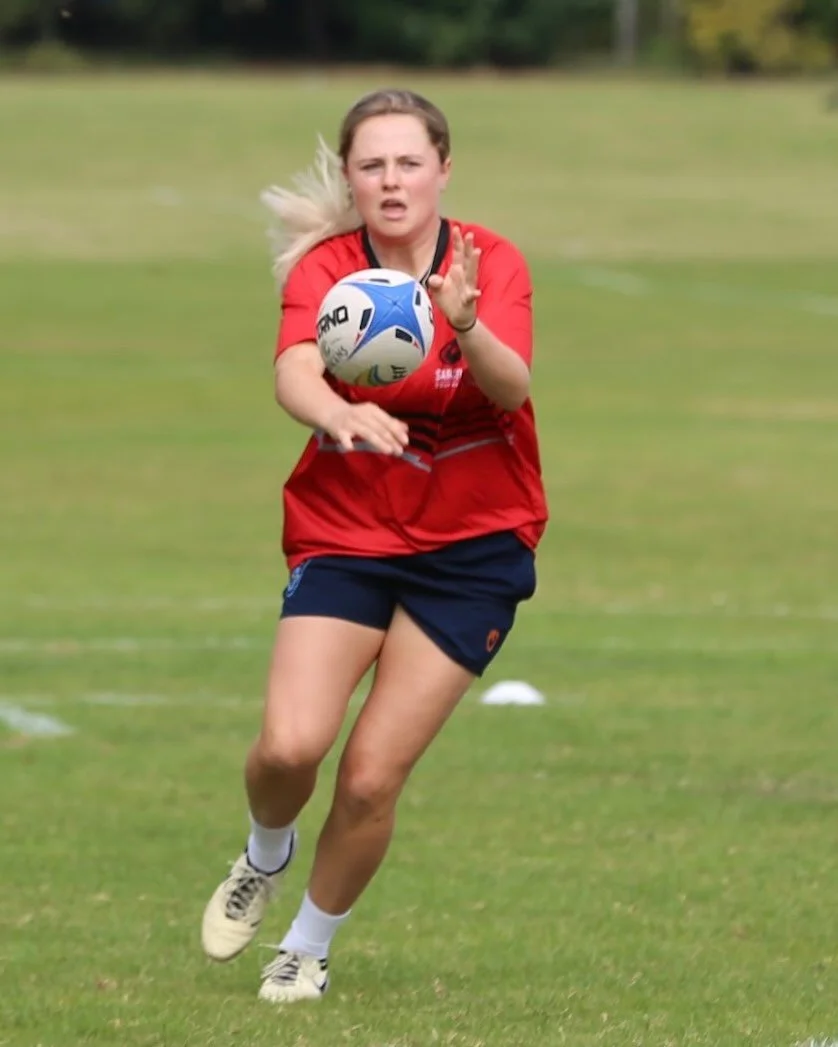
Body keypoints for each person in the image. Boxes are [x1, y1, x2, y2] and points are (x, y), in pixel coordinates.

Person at [200, 87, 549, 1005]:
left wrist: (465, 320)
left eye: (407, 162)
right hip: (349, 528)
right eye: (371, 165)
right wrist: (339, 410)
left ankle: (307, 946)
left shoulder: (490, 261)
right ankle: (262, 852)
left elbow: (511, 391)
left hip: (474, 545)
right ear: (351, 177)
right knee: (289, 747)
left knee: (368, 776)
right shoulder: (326, 268)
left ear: (442, 168)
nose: (391, 181)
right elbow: (292, 372)